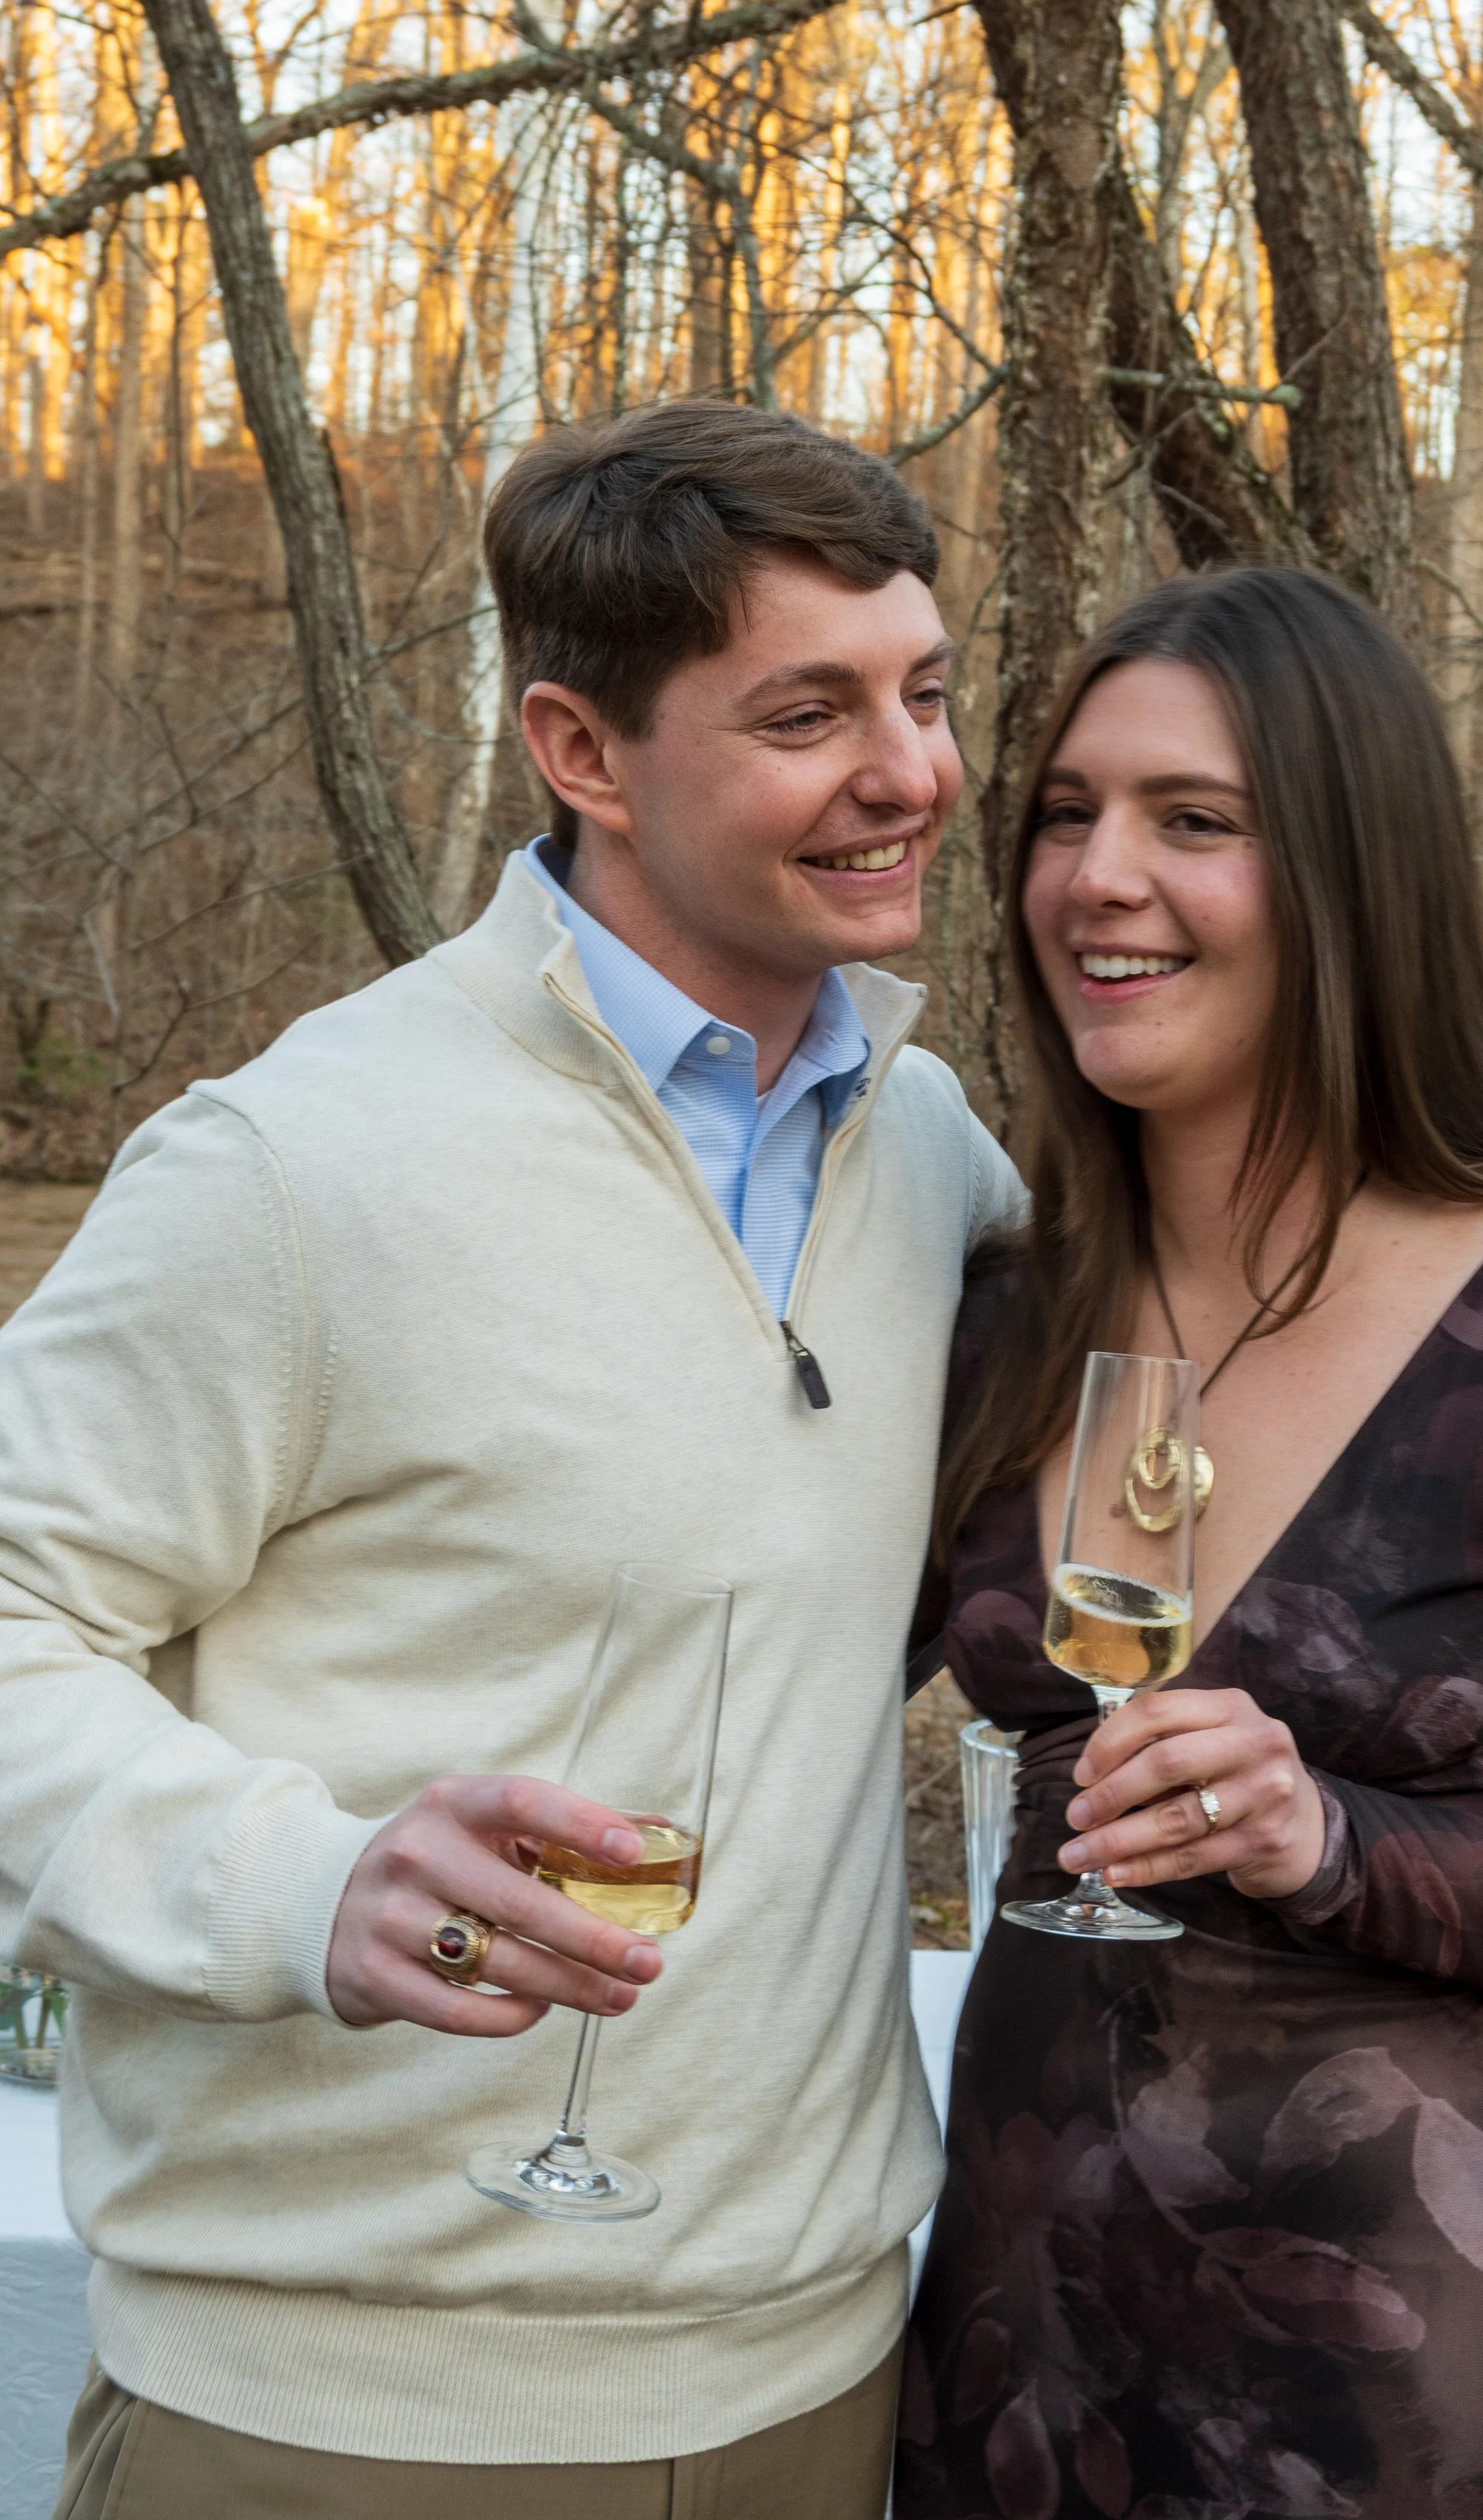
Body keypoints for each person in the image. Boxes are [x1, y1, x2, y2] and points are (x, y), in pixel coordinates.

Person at [0, 399, 1022, 2520]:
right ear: (580, 751)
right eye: (808, 713)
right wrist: (301, 1880)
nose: (910, 772)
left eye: (924, 694)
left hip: (817, 2387)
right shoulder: (296, 1167)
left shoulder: (930, 1154)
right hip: (335, 2420)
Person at [898, 567, 1483, 2520]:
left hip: (1410, 2395)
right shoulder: (998, 1313)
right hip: (1017, 2365)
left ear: (1349, 878)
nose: (1098, 877)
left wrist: (1329, 1837)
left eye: (1193, 820)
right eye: (1066, 814)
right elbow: (732, 1667)